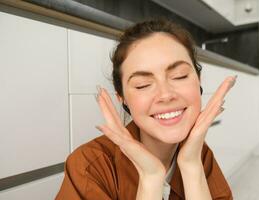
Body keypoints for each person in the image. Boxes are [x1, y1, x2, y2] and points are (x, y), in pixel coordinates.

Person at [56, 18, 236, 200]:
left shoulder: (198, 153)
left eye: (179, 76)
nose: (165, 94)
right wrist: (151, 180)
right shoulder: (89, 166)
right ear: (122, 98)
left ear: (198, 80)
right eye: (143, 85)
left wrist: (191, 167)